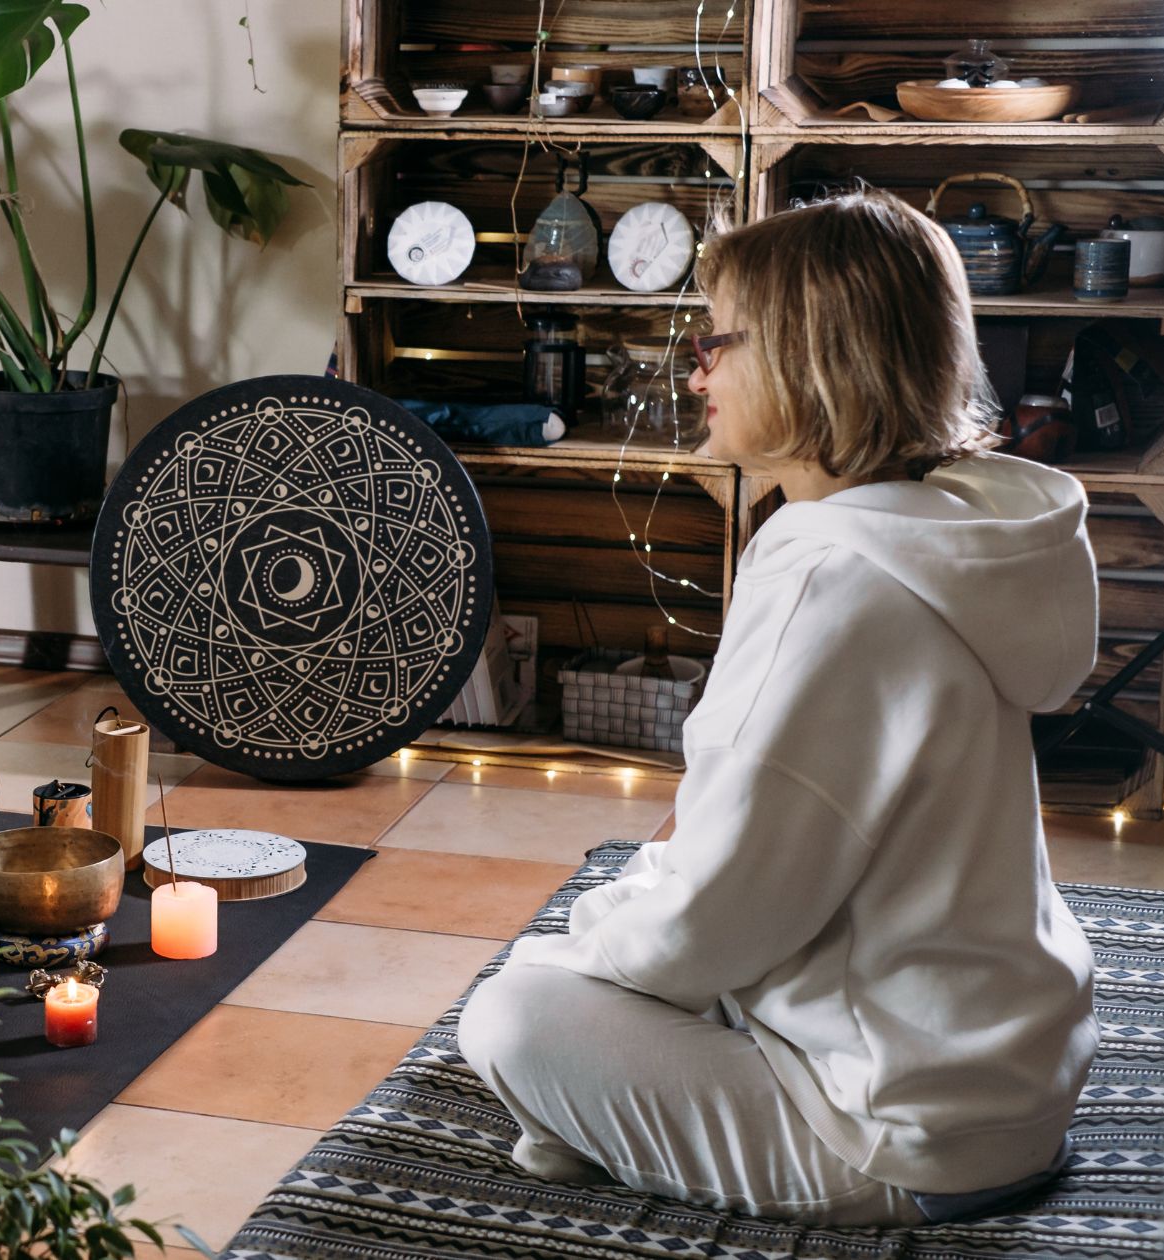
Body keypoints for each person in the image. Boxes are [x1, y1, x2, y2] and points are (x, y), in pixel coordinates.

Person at [456, 189, 1097, 1227]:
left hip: (899, 1133)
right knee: (625, 935)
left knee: (514, 1012)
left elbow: (711, 922)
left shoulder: (830, 583)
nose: (695, 366)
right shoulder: (950, 535)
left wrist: (576, 951)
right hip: (1003, 1082)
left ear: (813, 358)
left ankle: (578, 1137)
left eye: (719, 341)